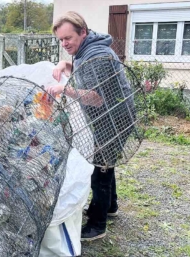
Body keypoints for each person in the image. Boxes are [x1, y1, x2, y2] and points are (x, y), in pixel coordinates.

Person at [46, 11, 134, 242]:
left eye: (68, 38)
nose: (65, 44)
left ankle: (97, 225)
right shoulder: (86, 50)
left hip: (116, 118)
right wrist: (63, 64)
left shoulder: (98, 55)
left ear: (83, 32)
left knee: (100, 169)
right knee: (107, 161)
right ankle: (110, 206)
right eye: (61, 40)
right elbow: (84, 74)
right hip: (109, 117)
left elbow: (96, 97)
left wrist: (64, 90)